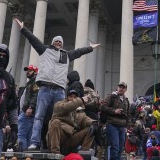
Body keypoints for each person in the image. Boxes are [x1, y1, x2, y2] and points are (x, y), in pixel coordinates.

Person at [16, 18, 99, 150]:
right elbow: (33, 40)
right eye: (56, 41)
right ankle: (35, 142)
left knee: (59, 118)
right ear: (53, 43)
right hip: (45, 88)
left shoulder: (66, 55)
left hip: (59, 90)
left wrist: (90, 48)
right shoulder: (44, 50)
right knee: (39, 117)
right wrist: (23, 28)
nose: (58, 43)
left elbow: (78, 52)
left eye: (60, 42)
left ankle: (54, 142)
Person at [47, 85, 95, 154]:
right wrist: (81, 100)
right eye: (70, 96)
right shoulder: (59, 105)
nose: (73, 99)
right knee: (55, 122)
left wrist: (94, 123)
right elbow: (66, 107)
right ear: (66, 97)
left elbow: (85, 119)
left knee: (91, 129)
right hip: (58, 137)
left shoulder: (79, 110)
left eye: (75, 97)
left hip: (71, 139)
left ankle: (83, 154)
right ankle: (55, 153)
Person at [102, 82, 131, 160]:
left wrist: (126, 126)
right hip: (112, 124)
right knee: (115, 147)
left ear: (125, 89)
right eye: (120, 87)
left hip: (122, 127)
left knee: (120, 148)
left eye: (123, 87)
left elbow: (128, 114)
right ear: (117, 88)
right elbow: (103, 107)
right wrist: (114, 111)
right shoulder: (112, 96)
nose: (121, 89)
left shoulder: (126, 100)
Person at [17, 64, 39, 151]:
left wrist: (30, 107)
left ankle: (21, 152)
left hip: (27, 111)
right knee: (29, 135)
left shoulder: (35, 82)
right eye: (27, 71)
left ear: (35, 72)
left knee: (21, 133)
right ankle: (27, 154)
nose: (28, 72)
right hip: (28, 111)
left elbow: (35, 95)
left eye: (30, 71)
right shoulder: (30, 82)